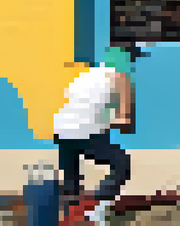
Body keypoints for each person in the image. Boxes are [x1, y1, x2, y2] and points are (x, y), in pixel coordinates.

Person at [52, 44, 138, 224]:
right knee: (121, 162)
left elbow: (75, 104)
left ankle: (70, 214)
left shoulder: (87, 75)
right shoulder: (121, 77)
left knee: (72, 177)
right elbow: (125, 120)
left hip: (61, 129)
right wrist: (115, 120)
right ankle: (98, 206)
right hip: (84, 131)